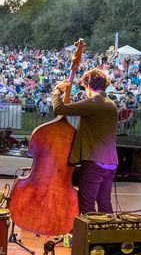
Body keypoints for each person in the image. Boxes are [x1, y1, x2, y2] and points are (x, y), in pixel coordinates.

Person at [51, 67, 119, 214]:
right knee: (105, 204)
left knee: (87, 207)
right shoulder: (111, 104)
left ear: (88, 85)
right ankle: (109, 230)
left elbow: (59, 109)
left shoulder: (93, 103)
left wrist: (57, 91)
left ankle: (89, 230)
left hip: (95, 162)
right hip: (111, 162)